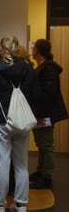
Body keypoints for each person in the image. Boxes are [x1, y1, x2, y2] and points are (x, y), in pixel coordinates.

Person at [0, 35, 38, 212]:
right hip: (22, 122)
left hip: (0, 121)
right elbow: (36, 95)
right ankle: (21, 206)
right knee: (21, 164)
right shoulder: (28, 69)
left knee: (2, 164)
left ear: (2, 48)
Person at [30, 39, 68, 189]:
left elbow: (48, 96)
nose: (32, 50)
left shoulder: (49, 70)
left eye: (34, 48)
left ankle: (47, 176)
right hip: (41, 113)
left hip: (45, 114)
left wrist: (40, 115)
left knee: (46, 145)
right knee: (41, 143)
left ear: (38, 51)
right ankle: (41, 171)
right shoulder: (42, 67)